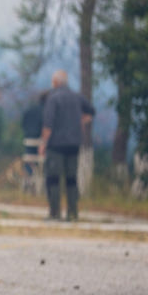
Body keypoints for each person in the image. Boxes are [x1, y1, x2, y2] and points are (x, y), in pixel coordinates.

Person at [38, 69, 95, 221]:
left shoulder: (53, 98)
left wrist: (43, 143)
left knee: (53, 178)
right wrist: (81, 121)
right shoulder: (77, 97)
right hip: (74, 144)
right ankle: (73, 213)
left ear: (55, 82)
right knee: (71, 179)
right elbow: (91, 112)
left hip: (56, 145)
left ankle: (54, 213)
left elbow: (48, 124)